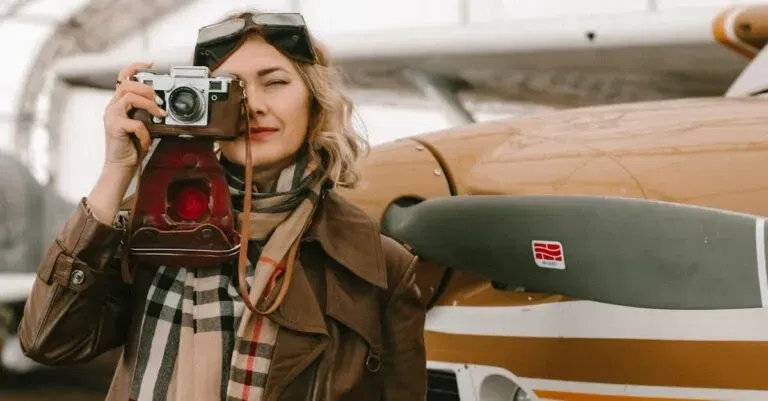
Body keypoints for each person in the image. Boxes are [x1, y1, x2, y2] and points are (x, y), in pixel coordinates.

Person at [18, 9, 427, 401]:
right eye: (230, 87)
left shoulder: (380, 266)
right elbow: (48, 340)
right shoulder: (151, 228)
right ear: (197, 104)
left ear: (315, 102)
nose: (253, 106)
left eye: (275, 82)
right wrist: (116, 170)